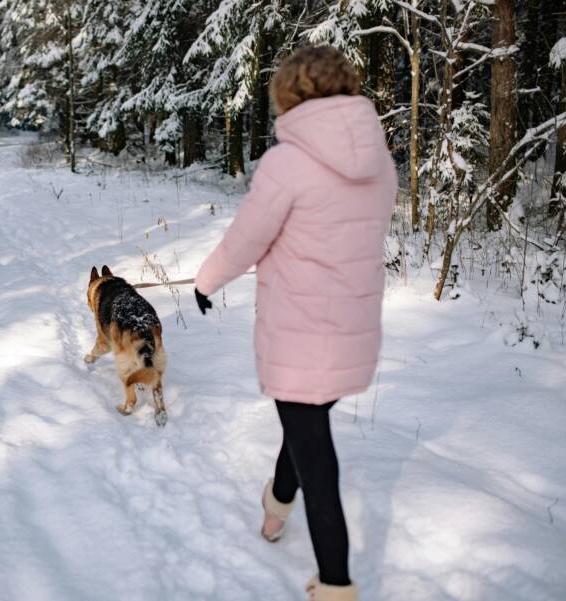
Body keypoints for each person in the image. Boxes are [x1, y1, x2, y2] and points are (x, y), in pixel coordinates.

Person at [194, 46, 397, 601]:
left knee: (317, 457)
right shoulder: (378, 159)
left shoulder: (287, 162)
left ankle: (335, 585)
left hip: (300, 335)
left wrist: (205, 281)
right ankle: (276, 506)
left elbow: (247, 239)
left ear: (288, 92)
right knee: (304, 427)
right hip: (352, 332)